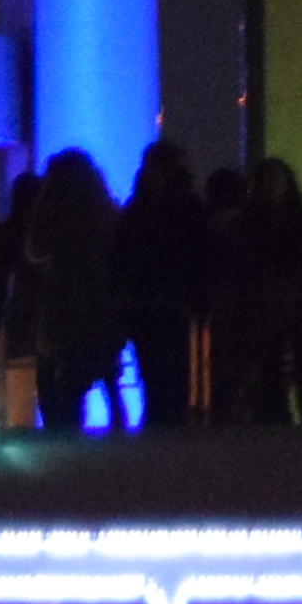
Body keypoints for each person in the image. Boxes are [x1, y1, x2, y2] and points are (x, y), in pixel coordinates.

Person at [215, 152, 302, 422]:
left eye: (275, 179)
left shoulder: (297, 224)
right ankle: (296, 431)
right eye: (266, 180)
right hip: (273, 308)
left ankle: (295, 431)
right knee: (276, 377)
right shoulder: (297, 223)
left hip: (291, 308)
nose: (271, 186)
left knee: (299, 378)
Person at [20, 148, 123, 433]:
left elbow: (35, 249)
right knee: (109, 380)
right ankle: (121, 450)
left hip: (63, 310)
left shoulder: (56, 213)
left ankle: (65, 448)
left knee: (59, 387)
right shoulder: (108, 210)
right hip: (104, 307)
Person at [110, 139, 209, 433]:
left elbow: (123, 253)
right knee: (174, 376)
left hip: (145, 304)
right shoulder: (188, 206)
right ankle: (170, 431)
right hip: (172, 303)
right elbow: (198, 253)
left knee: (153, 376)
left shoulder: (138, 208)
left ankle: (156, 432)